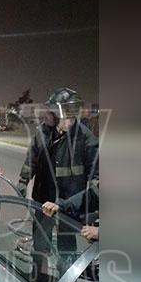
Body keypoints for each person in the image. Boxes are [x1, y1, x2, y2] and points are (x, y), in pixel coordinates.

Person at [17, 87, 99, 263]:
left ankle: (66, 276)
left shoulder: (86, 139)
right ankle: (39, 273)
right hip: (44, 199)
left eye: (71, 117)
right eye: (64, 117)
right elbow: (32, 159)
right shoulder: (43, 133)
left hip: (69, 204)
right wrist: (23, 180)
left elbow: (97, 177)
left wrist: (93, 208)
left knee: (66, 247)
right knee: (40, 244)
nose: (68, 122)